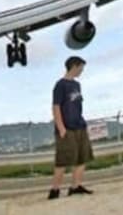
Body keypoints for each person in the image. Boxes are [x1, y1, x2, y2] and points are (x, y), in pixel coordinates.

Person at [48, 56, 94, 200]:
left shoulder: (77, 85)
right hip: (66, 128)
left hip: (79, 125)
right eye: (81, 67)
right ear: (74, 66)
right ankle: (54, 190)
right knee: (63, 160)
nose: (82, 71)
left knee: (82, 157)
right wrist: (61, 127)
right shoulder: (60, 85)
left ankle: (76, 186)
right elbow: (56, 107)